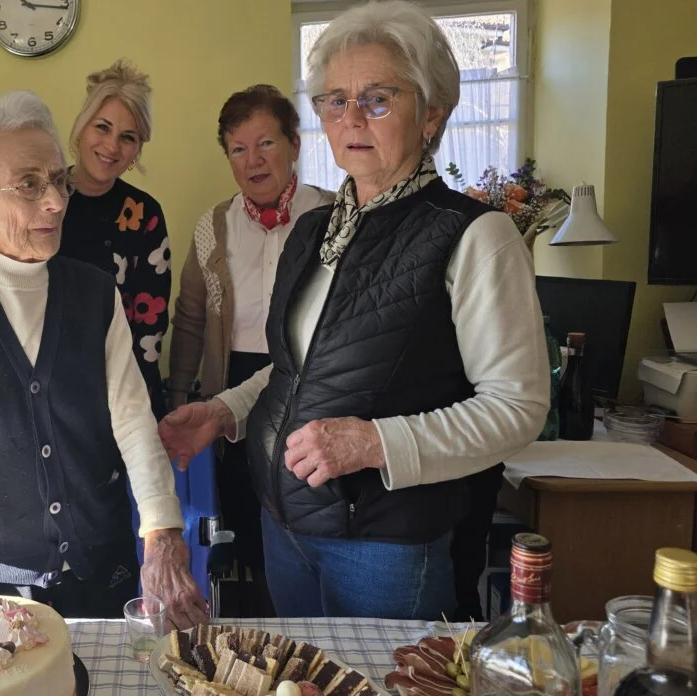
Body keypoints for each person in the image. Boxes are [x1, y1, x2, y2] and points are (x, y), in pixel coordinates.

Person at [159, 0, 549, 620]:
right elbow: (297, 369)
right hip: (285, 522)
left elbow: (516, 408)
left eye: (378, 99)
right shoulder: (315, 230)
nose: (352, 119)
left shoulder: (475, 235)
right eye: (335, 101)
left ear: (432, 113)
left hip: (386, 546)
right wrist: (223, 411)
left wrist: (375, 443)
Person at [0, 92, 208, 628]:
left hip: (95, 564)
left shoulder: (94, 292)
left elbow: (132, 420)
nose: (55, 201)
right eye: (29, 184)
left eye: (57, 180)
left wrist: (163, 534)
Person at [167, 84, 334, 617]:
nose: (253, 160)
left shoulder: (333, 215)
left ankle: (308, 615)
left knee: (306, 508)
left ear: (294, 145)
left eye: (266, 144)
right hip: (234, 384)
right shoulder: (214, 225)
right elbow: (190, 317)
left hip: (312, 382)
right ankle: (258, 620)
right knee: (244, 519)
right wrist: (179, 394)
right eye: (238, 149)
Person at [59, 60, 171, 419]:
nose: (111, 146)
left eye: (128, 137)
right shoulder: (42, 199)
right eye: (102, 127)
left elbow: (150, 328)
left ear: (137, 149)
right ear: (82, 127)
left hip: (120, 397)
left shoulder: (144, 214)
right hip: (47, 391)